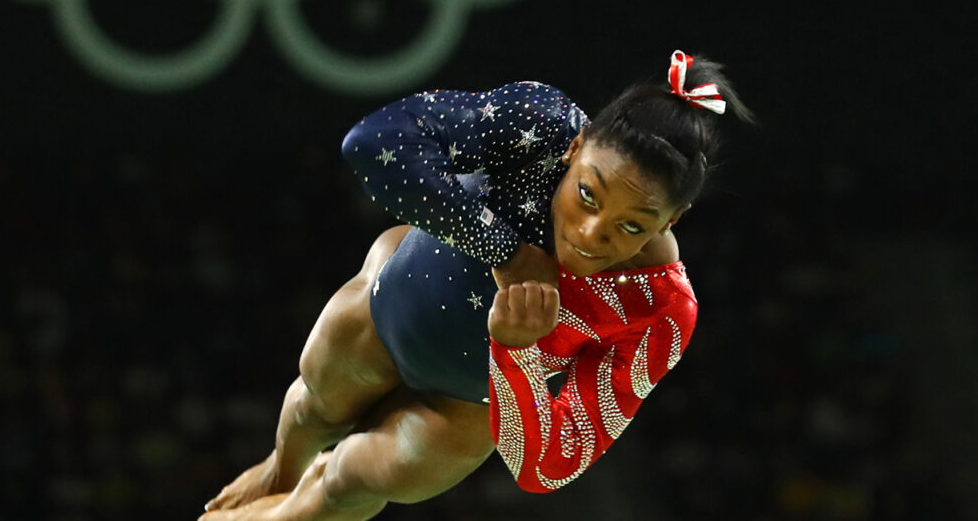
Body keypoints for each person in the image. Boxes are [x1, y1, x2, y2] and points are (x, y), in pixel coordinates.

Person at [202, 51, 753, 520]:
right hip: (394, 301)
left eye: (632, 226)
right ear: (576, 147)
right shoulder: (539, 124)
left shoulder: (659, 308)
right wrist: (507, 254)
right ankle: (278, 469)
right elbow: (370, 144)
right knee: (312, 409)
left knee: (342, 487)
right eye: (588, 194)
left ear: (671, 221)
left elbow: (553, 464)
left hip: (462, 405)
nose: (591, 234)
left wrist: (516, 355)